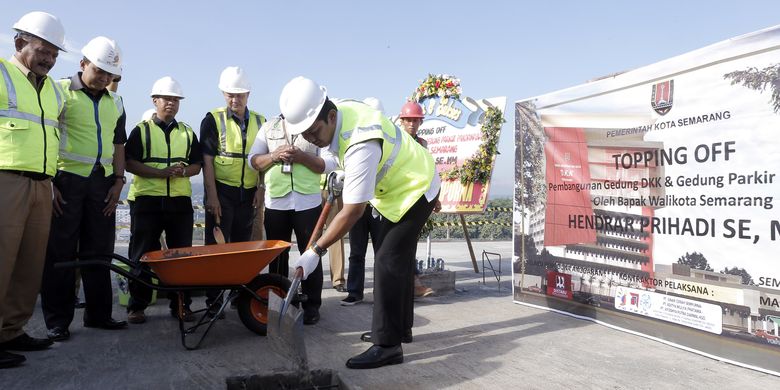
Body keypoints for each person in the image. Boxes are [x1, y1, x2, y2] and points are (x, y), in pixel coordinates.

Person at [280, 76, 440, 369]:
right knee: (397, 261)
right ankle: (398, 329)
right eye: (306, 135)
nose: (312, 140)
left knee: (388, 260)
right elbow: (334, 153)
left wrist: (315, 251)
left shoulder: (360, 141)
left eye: (314, 133)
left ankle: (388, 345)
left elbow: (353, 210)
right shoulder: (338, 110)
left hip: (417, 186)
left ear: (329, 116)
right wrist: (340, 169)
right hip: (399, 187)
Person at [40, 36, 128, 342]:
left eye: (109, 74)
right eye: (99, 71)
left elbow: (119, 145)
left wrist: (118, 181)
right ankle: (58, 320)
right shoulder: (59, 91)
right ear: (82, 64)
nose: (104, 78)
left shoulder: (115, 101)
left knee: (99, 251)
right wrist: (49, 182)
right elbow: (45, 135)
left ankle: (99, 314)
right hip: (66, 181)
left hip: (102, 183)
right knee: (61, 252)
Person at [0, 11, 66, 369]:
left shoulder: (53, 91)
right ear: (20, 43)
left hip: (42, 184)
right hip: (6, 181)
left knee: (29, 264)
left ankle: (11, 330)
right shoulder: (1, 74)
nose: (49, 59)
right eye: (44, 50)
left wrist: (52, 183)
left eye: (55, 55)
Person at [247, 110, 338, 325]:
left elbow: (328, 163)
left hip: (308, 202)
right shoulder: (269, 128)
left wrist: (302, 157)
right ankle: (279, 302)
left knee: (311, 253)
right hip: (277, 202)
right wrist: (274, 155)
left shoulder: (316, 126)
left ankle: (312, 305)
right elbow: (253, 161)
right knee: (278, 256)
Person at [124, 76, 202, 324]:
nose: (171, 103)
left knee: (181, 258)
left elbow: (197, 165)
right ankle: (137, 306)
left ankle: (181, 305)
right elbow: (129, 163)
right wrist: (160, 174)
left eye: (175, 100)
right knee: (143, 255)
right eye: (167, 99)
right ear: (155, 100)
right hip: (148, 201)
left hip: (179, 202)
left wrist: (183, 171)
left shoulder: (187, 132)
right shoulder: (141, 130)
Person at [200, 67, 265, 316]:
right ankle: (214, 301)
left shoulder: (260, 121)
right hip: (222, 193)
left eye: (239, 95)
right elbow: (207, 161)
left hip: (247, 194)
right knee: (216, 250)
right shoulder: (212, 119)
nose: (234, 100)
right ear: (223, 93)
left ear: (248, 94)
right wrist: (212, 196)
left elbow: (263, 159)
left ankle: (239, 296)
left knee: (241, 249)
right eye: (230, 95)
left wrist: (261, 187)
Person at [340, 97, 386, 306]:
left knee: (381, 252)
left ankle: (381, 292)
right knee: (356, 251)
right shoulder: (354, 140)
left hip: (380, 205)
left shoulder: (386, 141)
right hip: (358, 205)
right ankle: (354, 292)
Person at [398, 101, 441, 297]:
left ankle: (412, 284)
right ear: (402, 120)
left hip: (416, 200)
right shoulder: (395, 141)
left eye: (416, 121)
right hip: (396, 199)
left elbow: (428, 171)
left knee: (410, 243)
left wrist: (434, 198)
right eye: (409, 120)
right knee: (397, 245)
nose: (412, 124)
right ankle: (406, 285)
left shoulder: (422, 144)